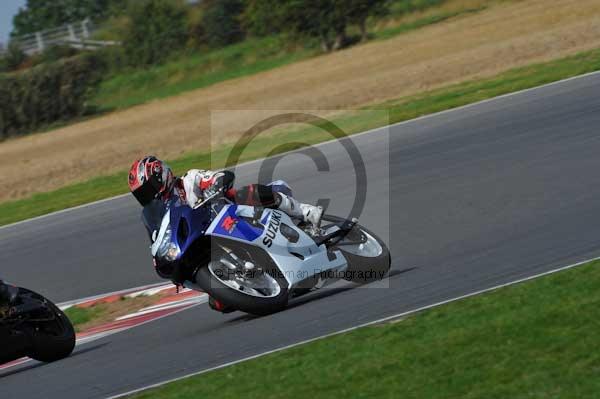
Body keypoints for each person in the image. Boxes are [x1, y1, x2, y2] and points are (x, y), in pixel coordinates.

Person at [128, 156, 323, 312]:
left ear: (161, 176)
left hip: (237, 217)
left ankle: (306, 212)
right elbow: (156, 241)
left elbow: (218, 178)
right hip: (207, 244)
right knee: (219, 304)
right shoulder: (156, 216)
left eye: (148, 189)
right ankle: (262, 281)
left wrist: (216, 186)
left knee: (246, 193)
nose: (147, 196)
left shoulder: (189, 180)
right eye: (141, 194)